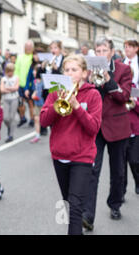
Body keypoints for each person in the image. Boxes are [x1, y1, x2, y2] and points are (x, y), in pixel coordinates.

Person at [40, 54, 102, 235]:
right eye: (66, 70)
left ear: (84, 73)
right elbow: (44, 121)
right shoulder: (55, 91)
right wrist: (56, 105)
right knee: (69, 203)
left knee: (75, 206)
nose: (69, 73)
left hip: (82, 156)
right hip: (60, 155)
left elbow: (93, 128)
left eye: (74, 70)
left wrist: (76, 107)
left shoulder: (93, 94)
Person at [83, 37, 132, 230]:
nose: (101, 54)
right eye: (98, 51)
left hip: (118, 127)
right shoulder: (89, 70)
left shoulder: (123, 70)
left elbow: (124, 96)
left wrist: (108, 78)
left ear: (112, 52)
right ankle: (88, 216)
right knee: (92, 171)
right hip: (96, 127)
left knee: (118, 171)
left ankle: (115, 204)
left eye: (104, 50)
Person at [122, 39, 139, 196]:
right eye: (125, 47)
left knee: (134, 160)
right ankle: (121, 191)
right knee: (121, 165)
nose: (126, 49)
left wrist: (135, 103)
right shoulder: (122, 62)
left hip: (134, 127)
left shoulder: (134, 88)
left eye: (129, 47)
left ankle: (138, 180)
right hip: (121, 128)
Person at [14, 40, 34, 127]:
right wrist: (16, 82)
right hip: (20, 84)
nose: (28, 48)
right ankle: (23, 118)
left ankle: (32, 119)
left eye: (30, 46)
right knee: (20, 102)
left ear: (32, 48)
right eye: (27, 46)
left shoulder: (33, 57)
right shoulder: (20, 57)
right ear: (24, 47)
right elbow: (16, 70)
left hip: (30, 85)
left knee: (30, 103)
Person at [0, 63, 19, 142]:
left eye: (12, 71)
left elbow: (16, 88)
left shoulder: (16, 77)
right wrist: (11, 88)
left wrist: (7, 88)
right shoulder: (3, 79)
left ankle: (10, 135)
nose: (10, 73)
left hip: (14, 98)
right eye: (9, 71)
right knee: (5, 118)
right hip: (6, 99)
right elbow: (2, 90)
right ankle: (9, 127)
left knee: (12, 117)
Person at [29, 63, 45, 144]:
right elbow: (35, 90)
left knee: (44, 120)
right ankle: (37, 135)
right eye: (34, 71)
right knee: (36, 119)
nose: (33, 72)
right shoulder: (35, 81)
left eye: (35, 71)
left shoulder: (43, 81)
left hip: (43, 103)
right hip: (37, 102)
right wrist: (33, 94)